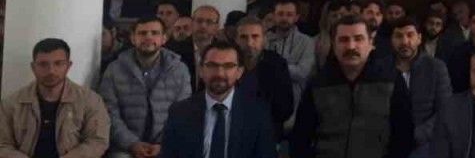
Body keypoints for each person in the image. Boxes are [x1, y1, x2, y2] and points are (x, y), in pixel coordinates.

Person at [290, 15, 414, 158]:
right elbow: (301, 138)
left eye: (358, 39)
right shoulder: (318, 84)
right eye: (343, 40)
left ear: (371, 43)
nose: (351, 46)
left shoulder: (391, 81)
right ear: (333, 44)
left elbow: (404, 136)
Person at [158, 40, 276, 158]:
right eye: (212, 65)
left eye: (228, 66)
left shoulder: (257, 114)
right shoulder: (180, 112)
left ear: (239, 72)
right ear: (201, 70)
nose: (219, 73)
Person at [0, 38, 109, 158]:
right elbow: (3, 145)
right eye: (43, 64)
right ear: (33, 67)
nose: (51, 71)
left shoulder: (91, 101)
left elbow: (97, 141)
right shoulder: (11, 104)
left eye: (58, 63)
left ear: (68, 66)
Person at [99, 16, 192, 158]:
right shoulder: (114, 69)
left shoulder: (180, 70)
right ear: (133, 38)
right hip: (124, 147)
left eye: (155, 33)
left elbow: (183, 113)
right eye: (142, 33)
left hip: (166, 145)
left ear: (164, 38)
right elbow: (109, 113)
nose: (148, 37)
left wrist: (163, 145)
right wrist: (132, 143)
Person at [392, 20, 450, 158]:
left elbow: (445, 110)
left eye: (410, 35)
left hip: (425, 142)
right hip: (389, 142)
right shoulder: (383, 68)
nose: (404, 41)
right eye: (399, 36)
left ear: (419, 38)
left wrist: (417, 135)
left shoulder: (436, 68)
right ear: (391, 40)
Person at [233, 16, 294, 140]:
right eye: (244, 37)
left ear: (264, 39)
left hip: (266, 132)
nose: (249, 43)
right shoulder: (228, 62)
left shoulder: (277, 64)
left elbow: (285, 107)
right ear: (236, 40)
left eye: (255, 36)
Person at [265, 0, 316, 113]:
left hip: (295, 99)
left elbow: (303, 73)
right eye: (280, 14)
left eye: (289, 14)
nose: (284, 18)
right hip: (266, 97)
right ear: (274, 16)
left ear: (296, 17)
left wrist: (275, 66)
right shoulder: (264, 39)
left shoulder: (307, 42)